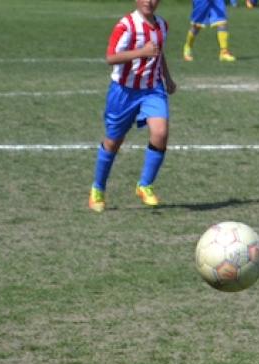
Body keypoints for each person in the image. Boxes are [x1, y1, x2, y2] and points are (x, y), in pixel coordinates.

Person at [88, 0, 177, 213]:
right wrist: (141, 52)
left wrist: (167, 78)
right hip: (123, 93)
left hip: (152, 90)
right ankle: (98, 188)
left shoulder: (162, 25)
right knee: (113, 142)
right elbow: (111, 57)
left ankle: (145, 185)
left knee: (160, 132)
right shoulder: (126, 25)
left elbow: (159, 52)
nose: (149, 1)